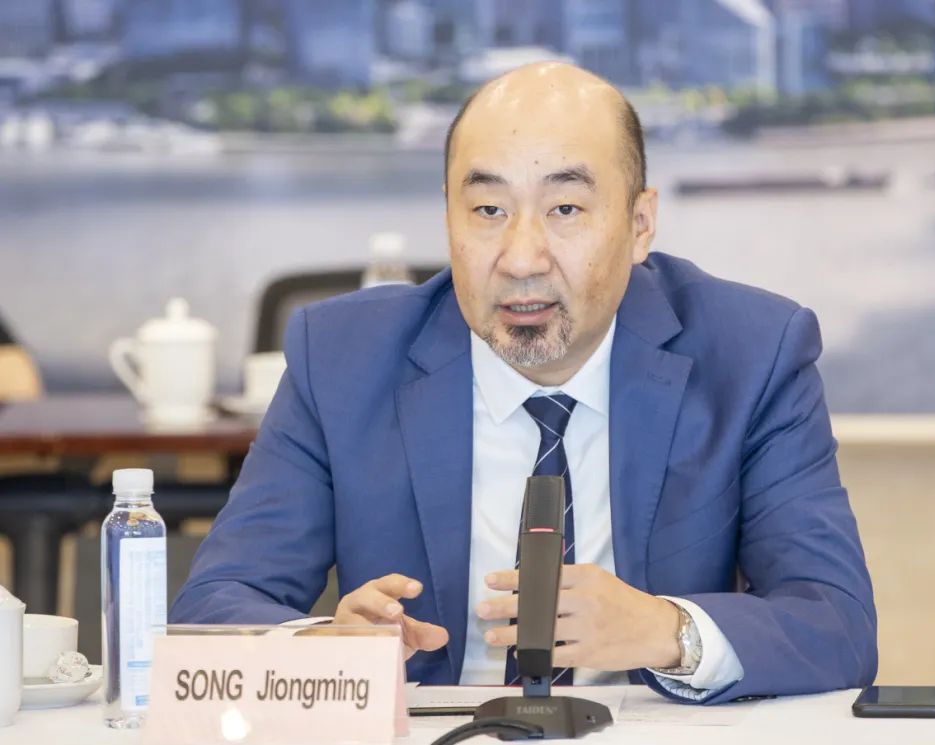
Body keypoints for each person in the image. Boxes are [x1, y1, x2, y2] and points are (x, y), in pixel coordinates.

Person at [171, 63, 877, 704]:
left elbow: (837, 624)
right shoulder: (342, 359)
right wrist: (325, 649)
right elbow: (214, 605)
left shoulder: (752, 354)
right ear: (448, 218)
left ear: (639, 224)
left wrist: (667, 630)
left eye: (565, 209)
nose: (521, 258)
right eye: (488, 210)